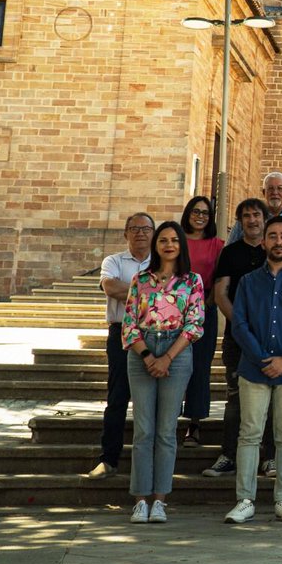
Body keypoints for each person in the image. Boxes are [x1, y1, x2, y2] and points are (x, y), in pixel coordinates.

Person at [223, 216, 282, 525]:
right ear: (264, 241)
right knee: (250, 433)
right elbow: (239, 323)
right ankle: (245, 499)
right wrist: (263, 358)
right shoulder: (249, 282)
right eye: (273, 236)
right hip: (254, 369)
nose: (278, 241)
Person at [123, 221, 205, 524]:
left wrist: (167, 358)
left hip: (178, 352)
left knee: (167, 430)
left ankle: (160, 499)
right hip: (142, 350)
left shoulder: (192, 281)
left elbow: (195, 323)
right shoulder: (140, 279)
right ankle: (140, 499)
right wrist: (148, 356)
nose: (169, 245)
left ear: (181, 245)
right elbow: (129, 323)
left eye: (174, 240)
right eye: (163, 240)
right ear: (156, 245)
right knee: (144, 430)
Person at [202, 198, 270, 478]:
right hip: (237, 339)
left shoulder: (275, 250)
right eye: (246, 216)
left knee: (271, 400)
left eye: (256, 215)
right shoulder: (230, 253)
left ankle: (269, 458)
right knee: (235, 400)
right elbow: (220, 294)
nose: (252, 220)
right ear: (240, 221)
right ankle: (229, 455)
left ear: (265, 219)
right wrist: (242, 327)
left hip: (270, 340)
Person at [86, 212, 153, 480]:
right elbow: (110, 287)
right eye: (134, 228)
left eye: (146, 229)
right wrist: (150, 296)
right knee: (117, 397)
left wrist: (133, 294)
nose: (140, 233)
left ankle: (146, 464)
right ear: (125, 233)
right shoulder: (113, 261)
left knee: (150, 401)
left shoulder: (160, 263)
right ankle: (109, 459)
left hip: (154, 335)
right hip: (121, 334)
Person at [180, 195, 224, 449]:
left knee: (199, 367)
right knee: (174, 365)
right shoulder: (178, 240)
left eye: (205, 213)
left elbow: (218, 278)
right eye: (196, 211)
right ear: (188, 213)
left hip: (204, 311)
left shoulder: (217, 245)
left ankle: (194, 424)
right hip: (173, 312)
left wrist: (205, 303)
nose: (200, 216)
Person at [226, 171, 282, 264]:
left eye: (280, 188)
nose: (275, 193)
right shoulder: (249, 221)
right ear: (264, 192)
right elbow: (229, 251)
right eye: (270, 189)